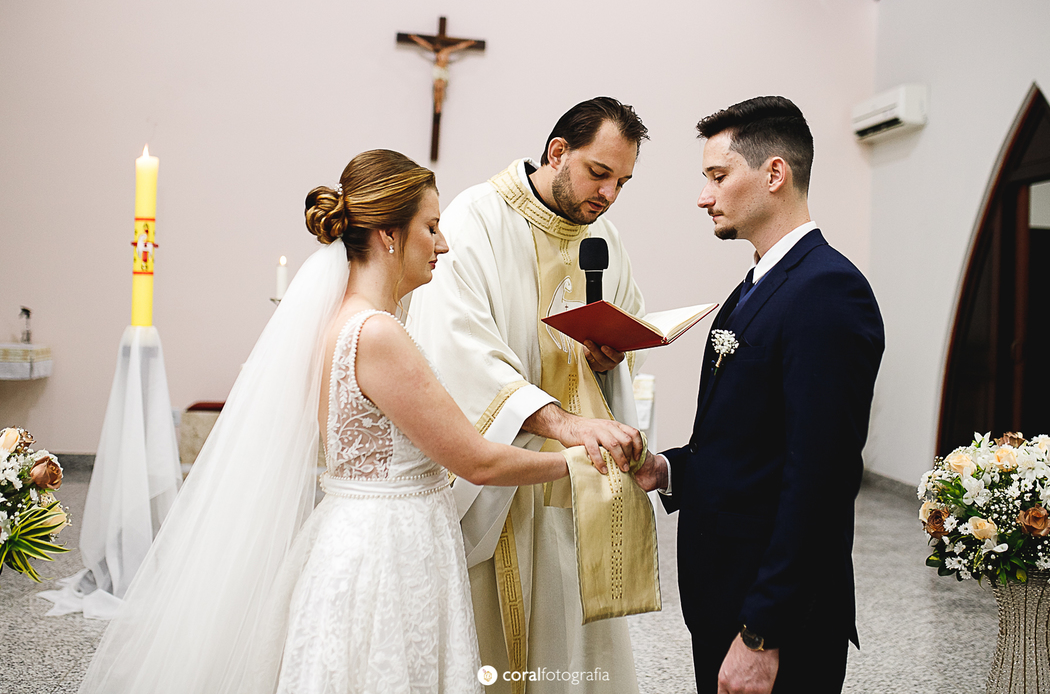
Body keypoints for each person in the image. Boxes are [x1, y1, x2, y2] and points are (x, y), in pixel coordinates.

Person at [79, 150, 583, 694]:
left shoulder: (344, 322)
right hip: (388, 548)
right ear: (389, 236)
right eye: (431, 227)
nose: (443, 244)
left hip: (359, 532)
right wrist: (580, 463)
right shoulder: (378, 333)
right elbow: (476, 462)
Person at [633, 97, 884, 694]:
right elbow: (749, 442)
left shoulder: (828, 291)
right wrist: (667, 468)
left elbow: (819, 479)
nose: (704, 196)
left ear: (774, 174)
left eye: (718, 176)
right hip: (726, 594)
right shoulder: (759, 283)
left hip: (775, 618)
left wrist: (762, 634)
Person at [406, 97, 650, 693]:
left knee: (571, 641)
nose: (609, 194)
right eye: (599, 173)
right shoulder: (477, 219)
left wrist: (611, 356)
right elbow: (459, 349)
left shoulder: (603, 236)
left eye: (622, 182)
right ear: (557, 152)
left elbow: (628, 325)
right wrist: (561, 423)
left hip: (577, 483)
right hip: (505, 478)